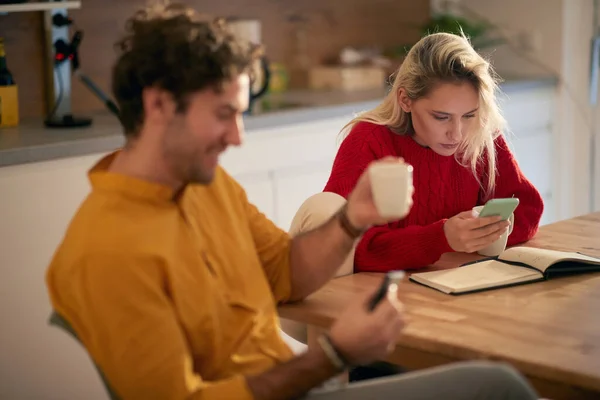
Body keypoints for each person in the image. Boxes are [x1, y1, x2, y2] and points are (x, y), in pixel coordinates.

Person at [45, 3, 539, 399]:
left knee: (500, 381)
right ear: (157, 106)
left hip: (296, 381)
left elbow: (288, 273)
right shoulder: (106, 249)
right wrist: (334, 355)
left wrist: (350, 220)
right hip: (295, 384)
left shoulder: (208, 188)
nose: (237, 137)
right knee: (498, 386)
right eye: (223, 114)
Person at [323, 32, 544, 273]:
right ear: (405, 100)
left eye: (469, 115)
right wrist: (441, 238)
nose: (457, 134)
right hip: (386, 295)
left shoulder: (480, 134)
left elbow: (528, 210)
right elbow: (346, 247)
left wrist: (479, 236)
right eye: (441, 117)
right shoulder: (368, 141)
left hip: (461, 284)